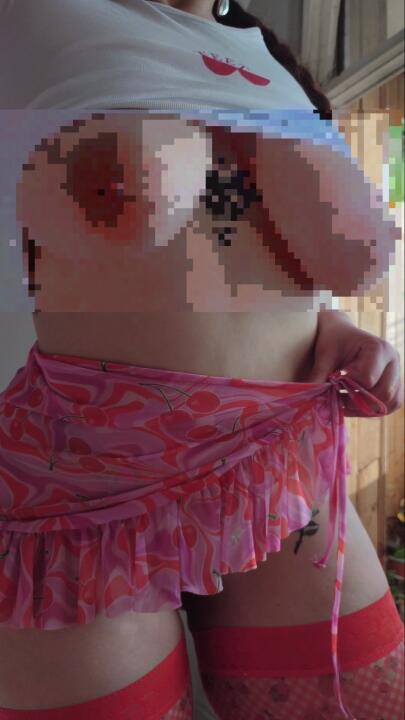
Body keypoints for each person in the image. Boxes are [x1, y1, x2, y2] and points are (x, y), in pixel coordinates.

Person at [0, 1, 403, 719]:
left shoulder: (264, 59)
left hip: (274, 465)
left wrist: (329, 324)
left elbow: (241, 234)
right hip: (83, 499)